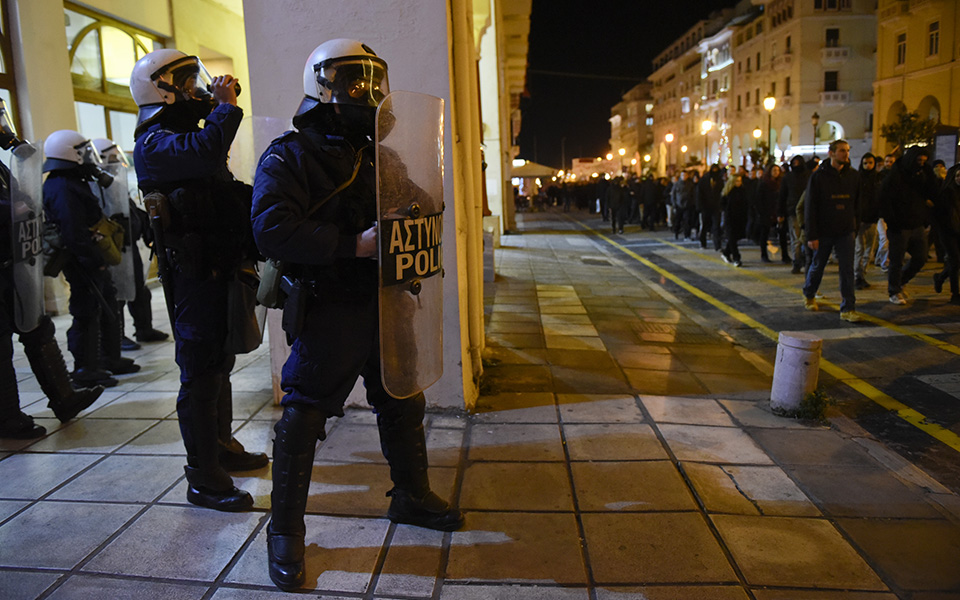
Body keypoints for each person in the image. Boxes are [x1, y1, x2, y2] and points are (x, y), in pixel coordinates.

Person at [251, 38, 465, 592]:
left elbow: (419, 201)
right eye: (352, 80)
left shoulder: (379, 155)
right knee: (303, 415)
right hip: (331, 304)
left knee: (401, 396)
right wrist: (354, 245)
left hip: (386, 299)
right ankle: (285, 532)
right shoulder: (289, 154)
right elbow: (270, 229)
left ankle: (411, 496)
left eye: (373, 80)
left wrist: (418, 209)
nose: (366, 92)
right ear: (319, 86)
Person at [130, 48, 267, 512]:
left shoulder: (181, 133)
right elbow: (207, 148)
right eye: (187, 83)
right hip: (190, 278)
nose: (197, 90)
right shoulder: (154, 141)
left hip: (215, 267)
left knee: (219, 365)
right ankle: (203, 478)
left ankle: (221, 446)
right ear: (161, 89)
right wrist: (224, 108)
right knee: (200, 375)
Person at [0, 104, 102, 438]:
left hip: (10, 264)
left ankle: (65, 398)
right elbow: (14, 205)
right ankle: (7, 417)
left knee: (37, 328)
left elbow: (24, 200)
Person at [42, 130, 140, 388]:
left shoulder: (71, 180)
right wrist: (92, 259)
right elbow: (73, 229)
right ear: (69, 154)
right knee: (86, 313)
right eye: (83, 152)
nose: (89, 158)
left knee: (103, 305)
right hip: (81, 260)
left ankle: (108, 359)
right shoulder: (62, 185)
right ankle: (85, 368)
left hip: (89, 256)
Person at [92, 139, 169, 351]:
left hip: (129, 245)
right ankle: (117, 337)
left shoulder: (113, 183)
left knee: (138, 290)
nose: (117, 160)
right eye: (113, 156)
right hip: (113, 247)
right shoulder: (95, 185)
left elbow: (130, 211)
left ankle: (144, 328)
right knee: (116, 295)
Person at [801, 139, 862, 322]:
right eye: (842, 150)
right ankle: (809, 292)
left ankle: (848, 308)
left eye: (847, 151)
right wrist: (812, 235)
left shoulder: (853, 176)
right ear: (831, 153)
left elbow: (857, 203)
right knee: (818, 265)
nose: (845, 154)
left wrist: (854, 226)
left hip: (846, 231)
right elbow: (810, 207)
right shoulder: (819, 176)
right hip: (824, 231)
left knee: (847, 269)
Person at [878, 146, 938, 305]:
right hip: (899, 225)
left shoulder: (923, 174)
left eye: (924, 161)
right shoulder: (896, 176)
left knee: (921, 256)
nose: (921, 164)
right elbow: (885, 199)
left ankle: (901, 281)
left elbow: (932, 192)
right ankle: (894, 291)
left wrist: (929, 174)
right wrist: (892, 221)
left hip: (917, 223)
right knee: (897, 260)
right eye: (919, 161)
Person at [933, 164, 960, 304]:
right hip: (948, 232)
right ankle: (955, 293)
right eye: (957, 176)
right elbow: (941, 215)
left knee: (956, 262)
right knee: (954, 261)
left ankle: (940, 277)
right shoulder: (946, 193)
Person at [854, 153, 880, 289]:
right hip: (860, 219)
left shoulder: (877, 178)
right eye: (865, 163)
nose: (868, 166)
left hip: (873, 218)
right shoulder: (858, 178)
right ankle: (857, 275)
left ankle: (862, 274)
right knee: (860, 248)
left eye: (870, 163)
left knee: (870, 249)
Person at [779, 155, 809, 273]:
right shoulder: (789, 177)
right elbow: (782, 195)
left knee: (801, 238)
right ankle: (798, 262)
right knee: (797, 239)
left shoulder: (807, 176)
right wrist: (781, 212)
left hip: (804, 210)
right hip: (793, 211)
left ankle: (803, 261)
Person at [720, 173, 747, 267]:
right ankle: (737, 258)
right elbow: (722, 205)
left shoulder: (742, 191)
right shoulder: (728, 192)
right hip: (730, 218)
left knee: (734, 238)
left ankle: (726, 252)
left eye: (740, 181)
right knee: (732, 238)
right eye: (737, 181)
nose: (738, 183)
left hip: (739, 218)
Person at [756, 164, 782, 263]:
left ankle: (785, 255)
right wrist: (762, 212)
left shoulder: (780, 182)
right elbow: (759, 199)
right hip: (766, 212)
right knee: (765, 234)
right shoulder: (764, 183)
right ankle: (764, 254)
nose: (776, 172)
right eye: (774, 170)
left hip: (777, 211)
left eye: (777, 170)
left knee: (781, 233)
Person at [696, 164, 723, 251]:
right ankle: (703, 243)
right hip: (705, 206)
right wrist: (700, 206)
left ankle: (717, 245)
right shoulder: (704, 180)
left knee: (716, 226)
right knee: (704, 225)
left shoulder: (719, 180)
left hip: (716, 207)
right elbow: (699, 193)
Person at [671, 170, 695, 240]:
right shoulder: (677, 184)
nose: (683, 177)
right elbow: (673, 195)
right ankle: (676, 232)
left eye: (685, 175)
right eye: (682, 175)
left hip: (687, 205)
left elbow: (693, 195)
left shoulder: (690, 184)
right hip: (679, 205)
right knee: (678, 220)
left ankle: (687, 235)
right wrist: (674, 204)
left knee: (687, 220)